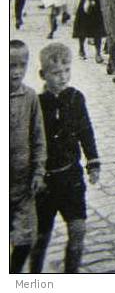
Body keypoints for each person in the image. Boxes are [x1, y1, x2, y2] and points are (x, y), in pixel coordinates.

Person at [30, 43, 101, 273]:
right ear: (43, 75)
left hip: (72, 177)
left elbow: (86, 131)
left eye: (67, 71)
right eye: (56, 73)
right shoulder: (37, 105)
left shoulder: (75, 98)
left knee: (78, 231)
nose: (63, 77)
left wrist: (93, 162)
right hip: (46, 183)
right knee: (41, 237)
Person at [10, 40, 46, 273]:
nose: (16, 71)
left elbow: (38, 137)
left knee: (25, 239)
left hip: (23, 184)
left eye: (22, 65)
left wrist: (38, 171)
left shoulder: (30, 97)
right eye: (11, 65)